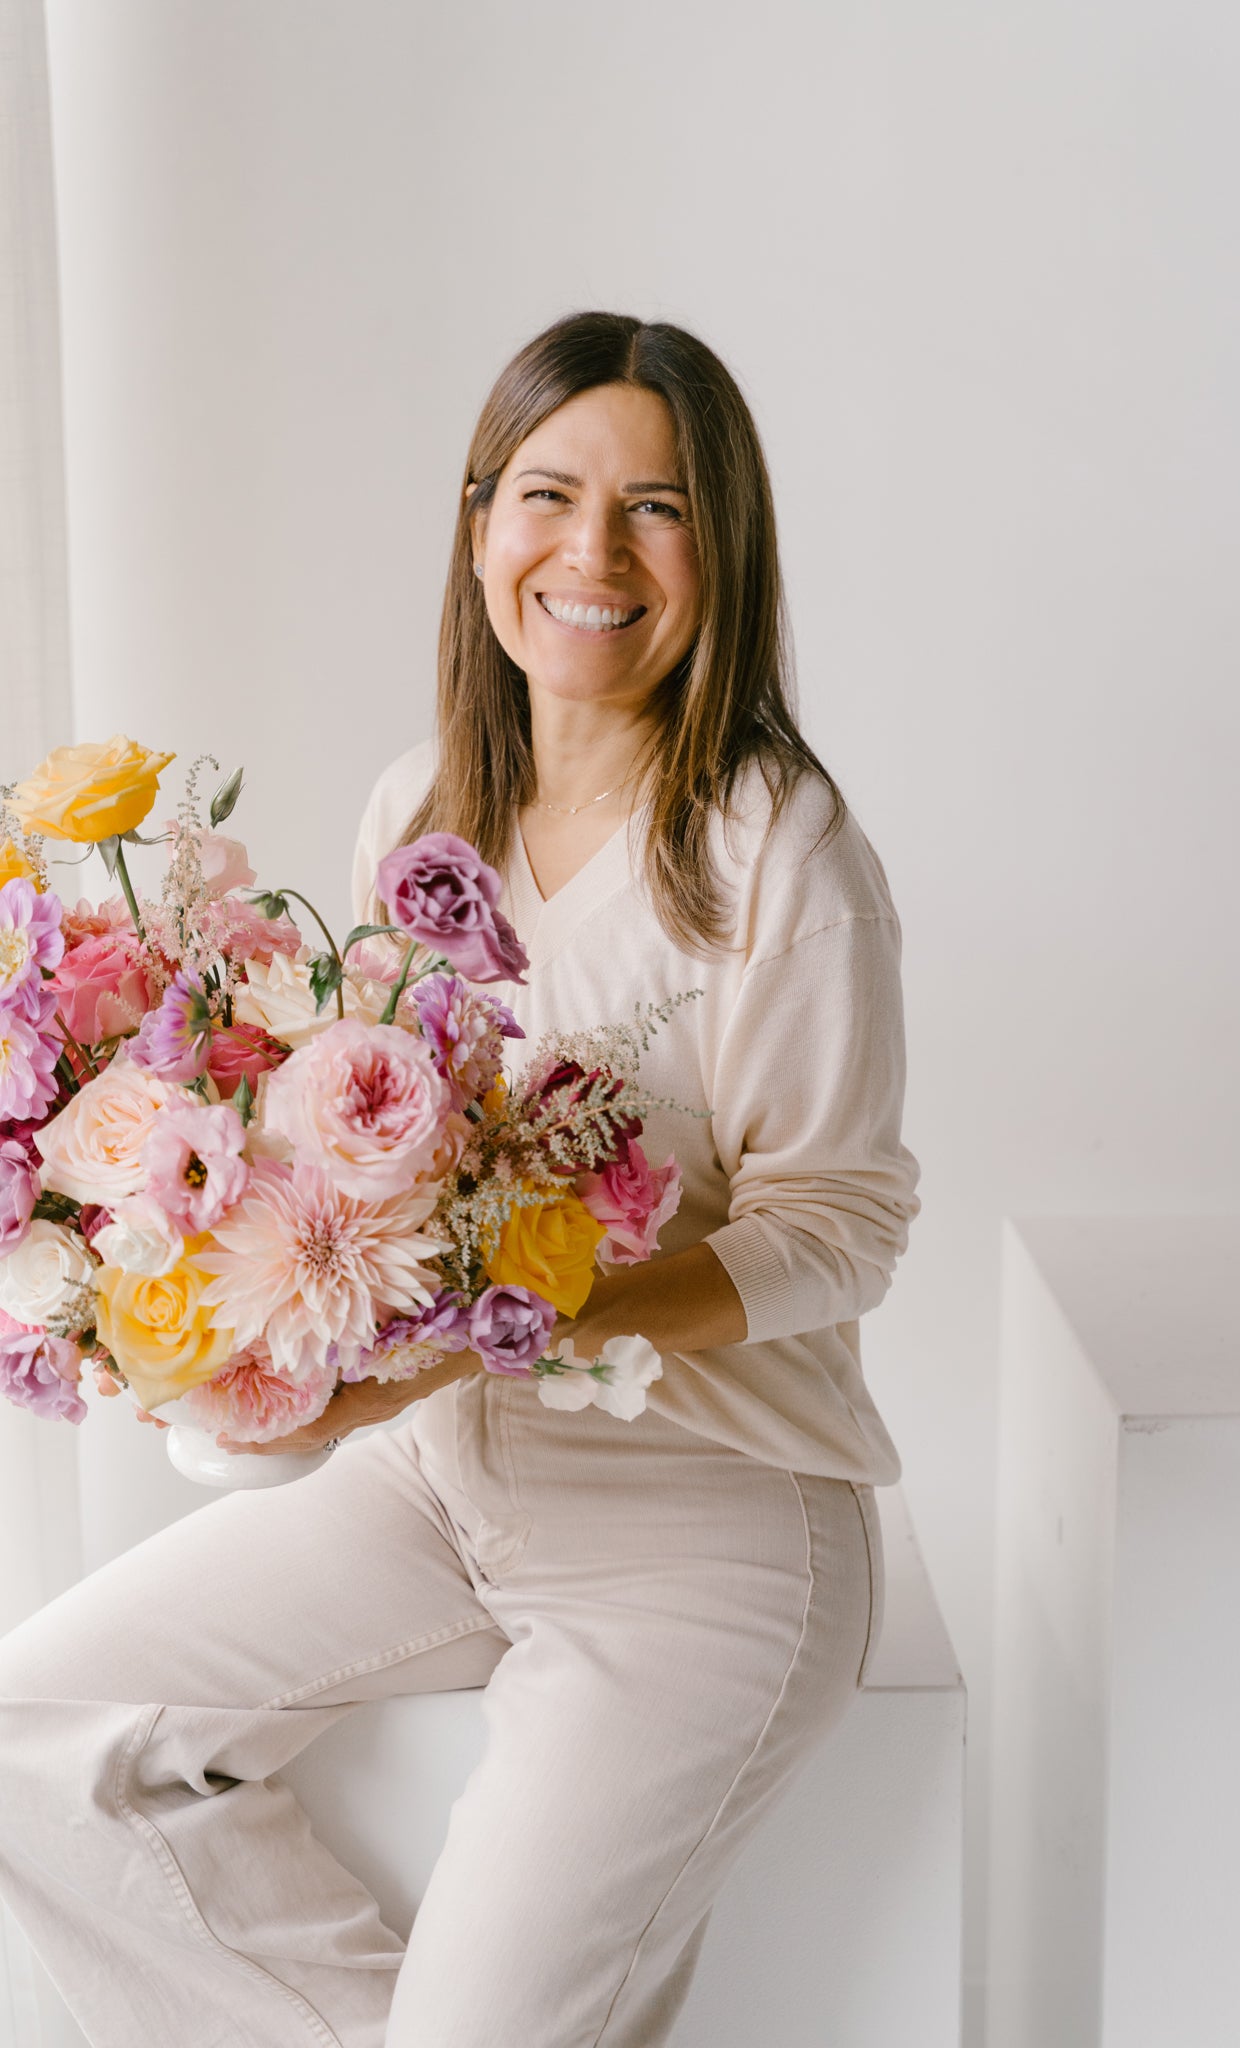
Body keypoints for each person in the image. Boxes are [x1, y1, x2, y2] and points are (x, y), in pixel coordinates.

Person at [0, 309, 922, 2047]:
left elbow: (842, 1229)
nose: (594, 554)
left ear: (723, 548)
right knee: (34, 1739)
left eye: (657, 508)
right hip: (432, 1483)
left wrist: (530, 1317)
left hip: (709, 1527)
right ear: (480, 522)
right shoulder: (418, 806)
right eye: (549, 495)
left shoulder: (778, 848)